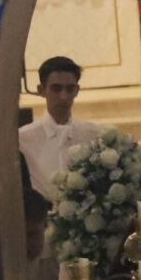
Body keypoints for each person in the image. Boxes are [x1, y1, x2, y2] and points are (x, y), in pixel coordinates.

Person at [18, 56, 104, 199]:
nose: (63, 97)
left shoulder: (93, 135)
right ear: (41, 90)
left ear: (77, 91)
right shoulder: (22, 138)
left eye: (70, 89)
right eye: (56, 89)